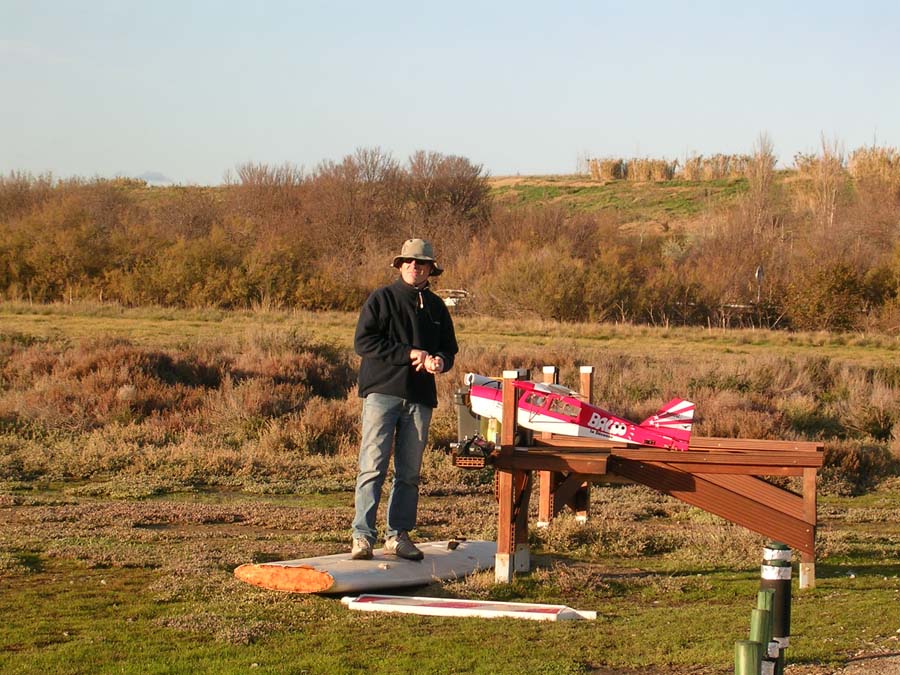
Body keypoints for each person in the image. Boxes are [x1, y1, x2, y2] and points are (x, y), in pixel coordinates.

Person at [350, 238, 458, 561]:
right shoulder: (381, 299)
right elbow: (363, 342)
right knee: (372, 467)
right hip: (382, 393)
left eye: (421, 263)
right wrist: (409, 353)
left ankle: (397, 535)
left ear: (430, 269)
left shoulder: (437, 307)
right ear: (399, 266)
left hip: (420, 398)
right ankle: (362, 537)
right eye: (409, 261)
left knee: (409, 473)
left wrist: (440, 361)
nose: (415, 267)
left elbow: (449, 350)